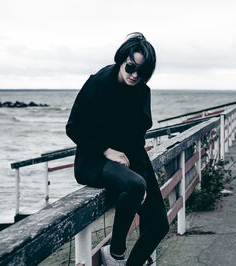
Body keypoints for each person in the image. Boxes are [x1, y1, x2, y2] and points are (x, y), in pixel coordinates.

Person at [66, 32, 169, 266]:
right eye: (131, 67)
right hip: (94, 161)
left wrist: (142, 179)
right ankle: (116, 253)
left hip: (129, 161)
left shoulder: (142, 91)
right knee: (135, 186)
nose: (135, 75)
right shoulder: (98, 84)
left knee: (159, 225)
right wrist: (106, 150)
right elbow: (74, 128)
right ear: (122, 59)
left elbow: (137, 141)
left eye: (142, 72)